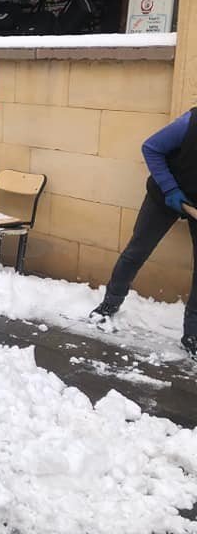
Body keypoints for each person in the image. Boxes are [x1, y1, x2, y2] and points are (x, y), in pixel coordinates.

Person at [90, 110, 197, 357]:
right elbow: (151, 148)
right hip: (166, 195)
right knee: (137, 251)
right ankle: (111, 302)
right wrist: (171, 190)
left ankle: (192, 333)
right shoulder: (189, 123)